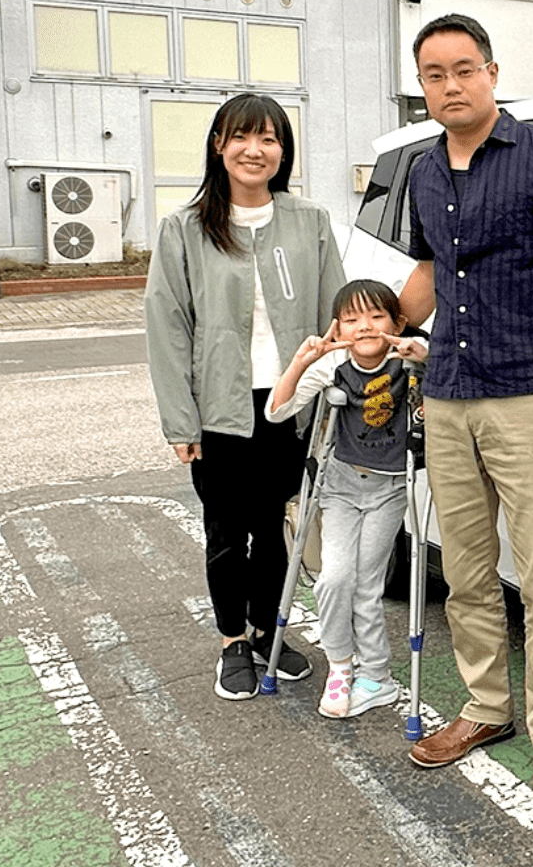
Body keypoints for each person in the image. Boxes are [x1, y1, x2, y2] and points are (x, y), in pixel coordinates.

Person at [397, 13, 533, 813]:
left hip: (529, 392)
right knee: (469, 572)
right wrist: (374, 324)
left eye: (463, 69)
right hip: (446, 390)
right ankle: (486, 708)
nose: (450, 86)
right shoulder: (421, 169)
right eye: (434, 75)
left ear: (490, 71)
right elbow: (427, 273)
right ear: (424, 87)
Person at [145, 93, 347, 701]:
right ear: (219, 145)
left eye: (269, 140)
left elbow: (335, 316)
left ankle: (268, 632)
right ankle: (233, 641)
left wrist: (337, 395)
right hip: (219, 411)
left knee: (274, 526)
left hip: (289, 408)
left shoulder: (308, 221)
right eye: (242, 137)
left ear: (283, 152)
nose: (254, 150)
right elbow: (168, 327)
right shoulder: (184, 227)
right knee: (228, 532)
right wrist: (180, 421)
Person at [266, 279, 428, 719]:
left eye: (377, 317)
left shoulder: (407, 359)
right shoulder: (334, 364)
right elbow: (277, 411)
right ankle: (341, 666)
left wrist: (425, 358)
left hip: (390, 488)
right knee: (334, 578)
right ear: (338, 329)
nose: (365, 327)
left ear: (398, 322)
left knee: (367, 585)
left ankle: (376, 677)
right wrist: (302, 362)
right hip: (340, 487)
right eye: (352, 319)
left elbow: (447, 375)